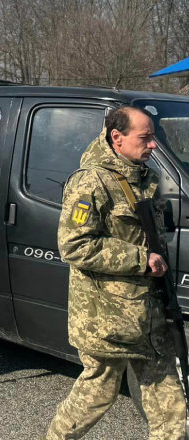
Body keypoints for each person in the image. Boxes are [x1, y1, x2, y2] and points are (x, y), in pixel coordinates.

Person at [45, 106, 186, 439]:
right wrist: (141, 259)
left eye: (154, 137)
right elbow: (75, 246)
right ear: (117, 138)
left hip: (150, 313)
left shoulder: (144, 177)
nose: (153, 145)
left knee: (170, 403)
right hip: (108, 317)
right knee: (97, 393)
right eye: (146, 137)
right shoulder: (90, 182)